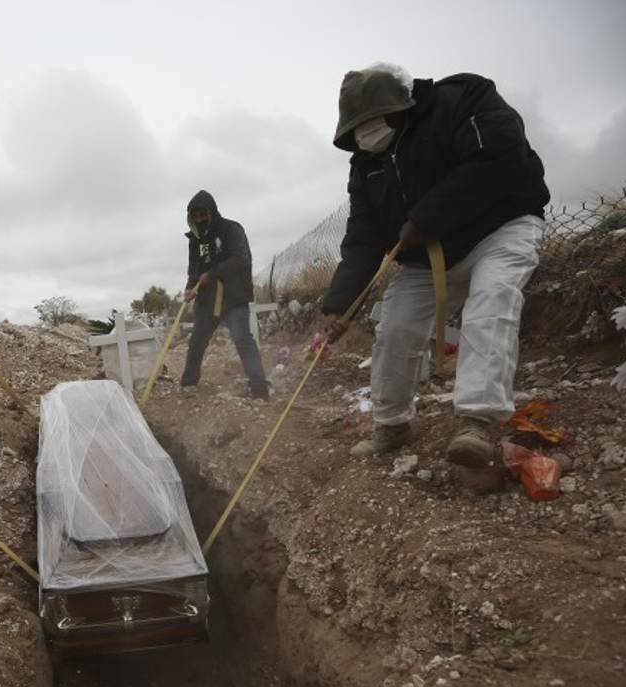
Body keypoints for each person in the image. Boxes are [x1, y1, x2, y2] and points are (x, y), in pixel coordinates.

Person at [323, 64, 550, 466]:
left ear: (401, 105)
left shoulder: (463, 99)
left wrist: (426, 218)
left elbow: (497, 158)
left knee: (491, 301)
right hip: (426, 255)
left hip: (498, 229)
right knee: (395, 327)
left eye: (374, 120)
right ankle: (392, 424)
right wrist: (340, 306)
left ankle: (476, 424)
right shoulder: (366, 163)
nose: (366, 134)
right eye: (358, 128)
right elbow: (362, 238)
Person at [180, 190, 269, 399]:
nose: (200, 219)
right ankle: (188, 384)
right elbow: (194, 268)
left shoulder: (231, 229)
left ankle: (259, 389)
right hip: (207, 300)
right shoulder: (195, 239)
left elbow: (241, 259)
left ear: (211, 212)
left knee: (242, 339)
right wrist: (190, 287)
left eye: (203, 214)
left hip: (233, 297)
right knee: (197, 341)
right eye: (195, 216)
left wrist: (212, 274)